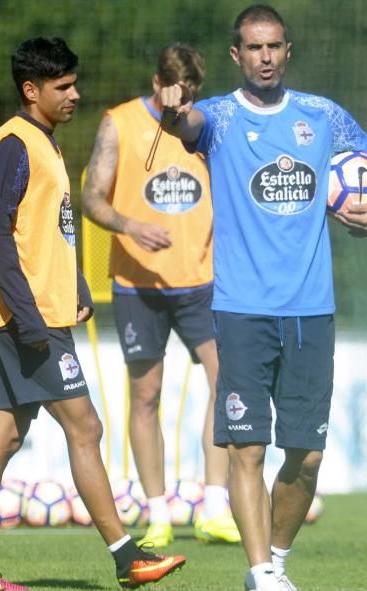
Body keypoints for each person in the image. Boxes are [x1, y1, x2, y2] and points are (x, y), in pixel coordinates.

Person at [159, 5, 367, 591]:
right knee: (247, 449)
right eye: (252, 47)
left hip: (310, 310)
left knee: (308, 455)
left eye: (273, 46)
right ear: (236, 55)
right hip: (241, 309)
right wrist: (170, 108)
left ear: (286, 51)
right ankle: (262, 578)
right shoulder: (216, 117)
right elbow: (185, 126)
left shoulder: (322, 116)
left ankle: (278, 568)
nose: (264, 56)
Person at [0, 36, 186, 591]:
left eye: (75, 83)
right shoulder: (14, 144)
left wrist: (74, 280)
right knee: (87, 427)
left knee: (3, 435)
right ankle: (128, 559)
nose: (75, 94)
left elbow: (47, 227)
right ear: (31, 90)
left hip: (32, 311)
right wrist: (30, 318)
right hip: (27, 319)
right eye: (63, 86)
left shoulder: (41, 141)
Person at [82, 43, 239, 548]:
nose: (181, 103)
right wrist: (131, 226)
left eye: (190, 94)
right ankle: (157, 513)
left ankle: (215, 506)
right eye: (174, 93)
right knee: (145, 396)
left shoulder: (208, 122)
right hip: (139, 284)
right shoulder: (120, 123)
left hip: (203, 281)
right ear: (155, 84)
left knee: (228, 382)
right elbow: (90, 197)